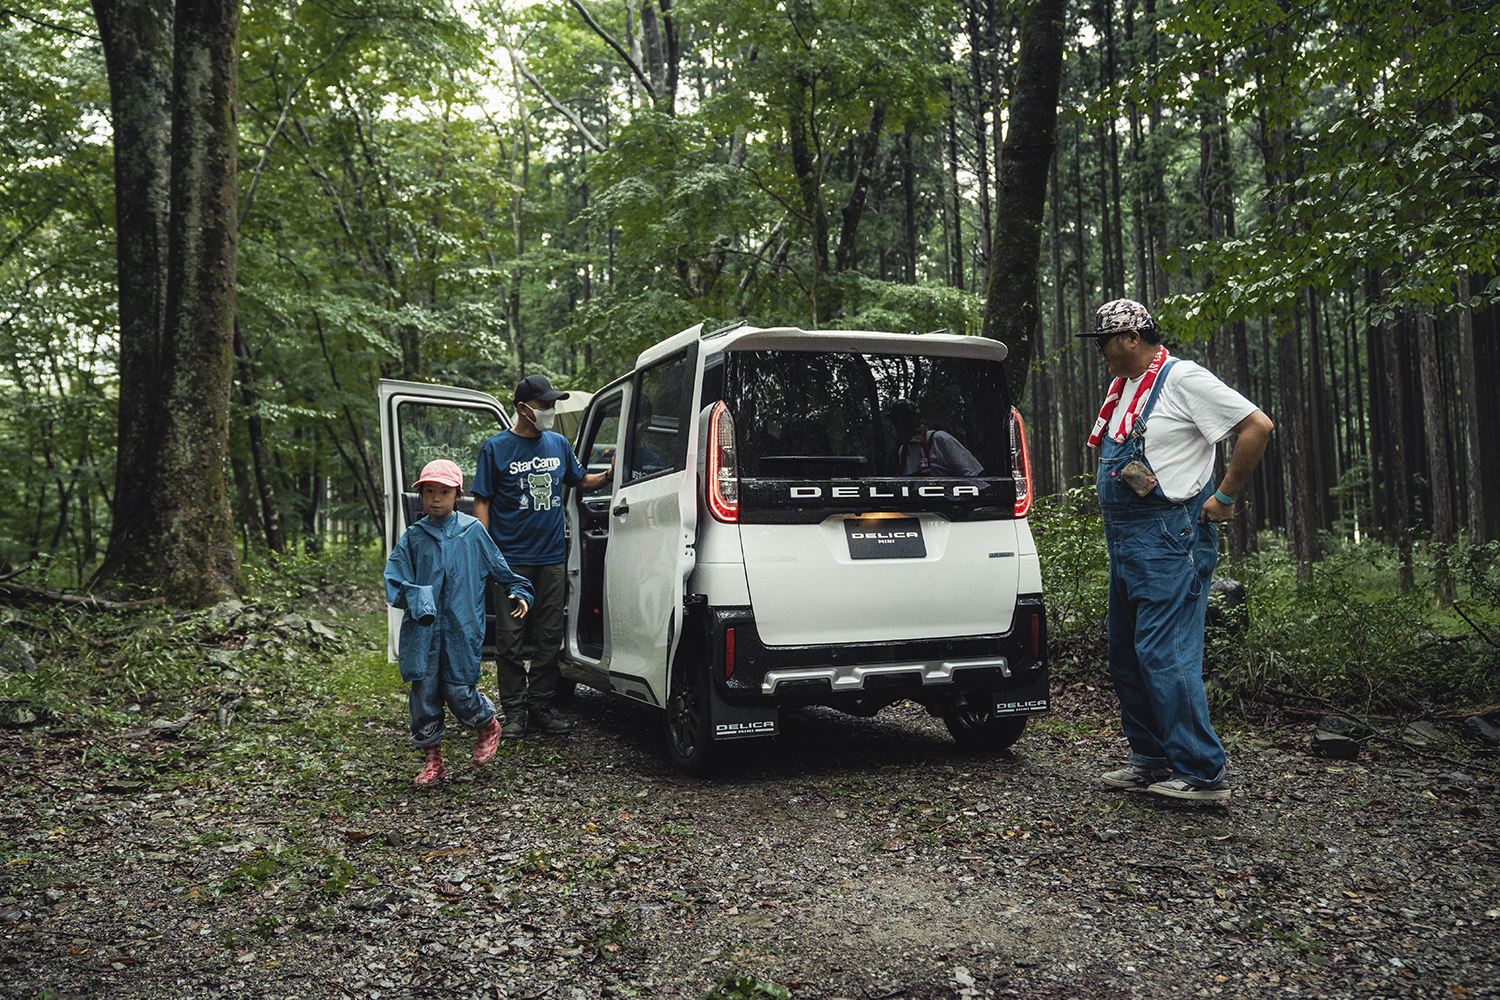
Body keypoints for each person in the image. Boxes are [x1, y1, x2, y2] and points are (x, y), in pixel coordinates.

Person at [1083, 298, 1273, 803]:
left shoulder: (1184, 378)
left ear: (1131, 338)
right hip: (1125, 541)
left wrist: (1225, 497)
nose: (1100, 351)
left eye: (1104, 342)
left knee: (1165, 655)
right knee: (1126, 655)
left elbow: (1258, 426)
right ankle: (1151, 759)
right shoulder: (1121, 390)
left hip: (1171, 537)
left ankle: (1203, 772)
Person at [473, 375, 612, 738]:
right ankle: (515, 712)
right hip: (511, 562)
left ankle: (540, 705)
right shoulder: (496, 448)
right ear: (523, 408)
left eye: (553, 404)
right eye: (545, 404)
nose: (551, 410)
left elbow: (580, 481)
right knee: (511, 639)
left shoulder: (558, 444)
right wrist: (488, 554)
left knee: (550, 636)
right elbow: (482, 500)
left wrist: (612, 473)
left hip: (552, 558)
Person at [384, 459, 535, 786]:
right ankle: (432, 761)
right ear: (421, 495)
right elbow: (394, 580)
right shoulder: (413, 537)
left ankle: (486, 723)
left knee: (459, 692)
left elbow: (501, 569)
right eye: (429, 491)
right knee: (423, 697)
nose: (435, 498)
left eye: (444, 491)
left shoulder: (472, 532)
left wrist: (519, 591)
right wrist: (417, 598)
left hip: (461, 630)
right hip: (422, 633)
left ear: (457, 495)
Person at [889, 398, 983, 476]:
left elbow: (976, 477)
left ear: (916, 418)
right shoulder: (903, 451)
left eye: (905, 418)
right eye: (896, 420)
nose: (900, 424)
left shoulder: (939, 439)